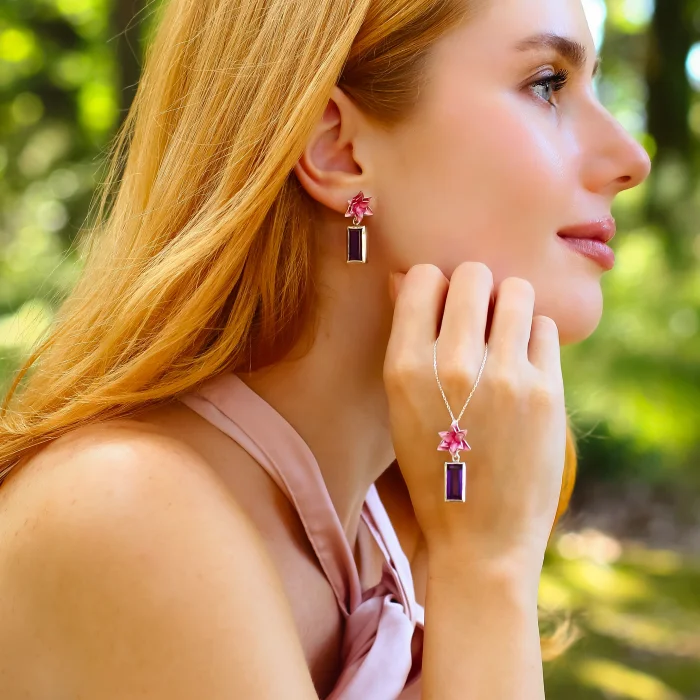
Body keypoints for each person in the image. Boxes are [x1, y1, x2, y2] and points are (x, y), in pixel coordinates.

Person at [0, 0, 651, 696]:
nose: (631, 159)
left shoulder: (404, 513)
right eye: (547, 84)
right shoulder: (129, 512)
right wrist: (487, 573)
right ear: (338, 149)